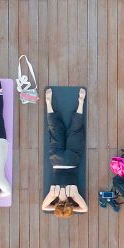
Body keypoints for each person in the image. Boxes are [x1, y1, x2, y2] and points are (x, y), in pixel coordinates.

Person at [42, 88, 88, 217]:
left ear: (69, 205)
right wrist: (56, 207)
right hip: (56, 160)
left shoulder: (73, 194)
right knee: (55, 131)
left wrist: (72, 209)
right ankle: (48, 103)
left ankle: (81, 102)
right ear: (57, 205)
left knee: (75, 131)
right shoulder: (53, 193)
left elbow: (84, 209)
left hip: (72, 160)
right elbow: (44, 207)